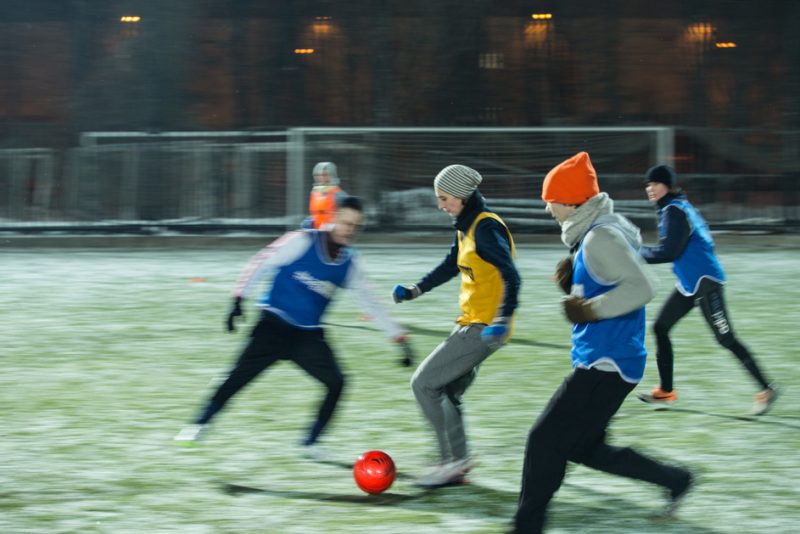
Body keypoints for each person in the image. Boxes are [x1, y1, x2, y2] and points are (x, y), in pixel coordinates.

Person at [511, 152, 693, 533]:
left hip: (605, 365)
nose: (547, 209)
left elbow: (643, 286)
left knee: (543, 441)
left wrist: (589, 308)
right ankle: (675, 479)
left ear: (571, 201)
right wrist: (577, 275)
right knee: (583, 447)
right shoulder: (599, 232)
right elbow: (615, 274)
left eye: (550, 201)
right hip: (614, 361)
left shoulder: (599, 238)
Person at [175, 196, 411, 458]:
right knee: (236, 377)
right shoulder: (301, 240)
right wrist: (238, 299)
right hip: (272, 326)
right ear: (332, 218)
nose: (350, 230)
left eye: (356, 226)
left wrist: (399, 338)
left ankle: (310, 444)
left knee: (337, 382)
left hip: (307, 336)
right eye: (346, 222)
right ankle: (198, 425)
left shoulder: (349, 263)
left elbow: (371, 302)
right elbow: (261, 263)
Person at [391, 164, 521, 488]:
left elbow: (512, 275)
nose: (441, 205)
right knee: (447, 391)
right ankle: (459, 463)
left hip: (485, 327)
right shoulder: (466, 225)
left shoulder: (485, 229)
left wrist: (503, 319)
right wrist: (415, 290)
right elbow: (452, 264)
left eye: (445, 198)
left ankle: (449, 461)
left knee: (423, 384)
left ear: (463, 196)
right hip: (472, 322)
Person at [636, 164, 779, 415]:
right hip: (690, 283)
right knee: (660, 327)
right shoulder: (677, 207)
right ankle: (666, 392)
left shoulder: (674, 210)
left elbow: (670, 251)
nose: (650, 189)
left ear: (667, 186)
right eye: (648, 185)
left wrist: (635, 253)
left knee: (726, 338)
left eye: (655, 184)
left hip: (705, 282)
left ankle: (767, 388)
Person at [304, 161, 347, 230]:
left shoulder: (338, 194)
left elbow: (346, 214)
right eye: (318, 175)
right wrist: (310, 220)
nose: (321, 178)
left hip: (332, 234)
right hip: (317, 232)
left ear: (332, 176)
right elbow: (315, 213)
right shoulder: (315, 193)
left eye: (325, 175)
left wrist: (334, 226)